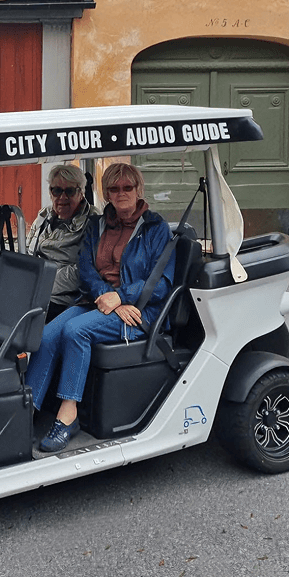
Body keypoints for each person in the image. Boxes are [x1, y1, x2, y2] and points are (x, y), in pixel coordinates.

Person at [26, 163, 175, 453]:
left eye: (127, 188)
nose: (121, 194)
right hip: (98, 302)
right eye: (114, 189)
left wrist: (121, 298)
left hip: (140, 312)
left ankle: (68, 418)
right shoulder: (98, 225)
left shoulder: (156, 229)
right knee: (46, 335)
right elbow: (86, 270)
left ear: (139, 190)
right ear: (105, 193)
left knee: (74, 331)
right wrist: (107, 297)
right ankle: (26, 412)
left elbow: (161, 284)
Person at [26, 164, 97, 322]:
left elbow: (83, 271)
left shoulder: (93, 221)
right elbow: (28, 252)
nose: (62, 197)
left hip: (65, 299)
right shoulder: (44, 215)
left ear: (81, 192)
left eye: (69, 191)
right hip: (33, 289)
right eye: (56, 190)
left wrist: (42, 284)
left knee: (13, 316)